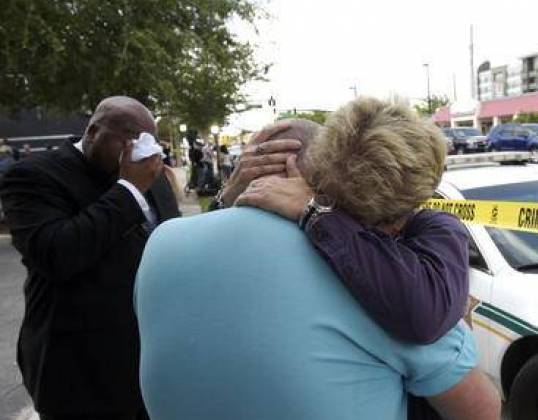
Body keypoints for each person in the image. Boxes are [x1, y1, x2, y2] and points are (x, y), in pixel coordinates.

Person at [135, 100, 500, 420]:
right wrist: (461, 326)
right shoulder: (364, 266)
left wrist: (225, 200)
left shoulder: (161, 244)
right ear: (320, 175)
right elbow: (481, 410)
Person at [0, 96, 181, 420]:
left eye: (142, 142)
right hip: (77, 368)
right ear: (95, 131)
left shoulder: (151, 177)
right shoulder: (33, 176)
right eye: (126, 140)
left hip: (149, 359)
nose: (133, 151)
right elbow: (56, 254)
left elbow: (171, 243)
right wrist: (128, 190)